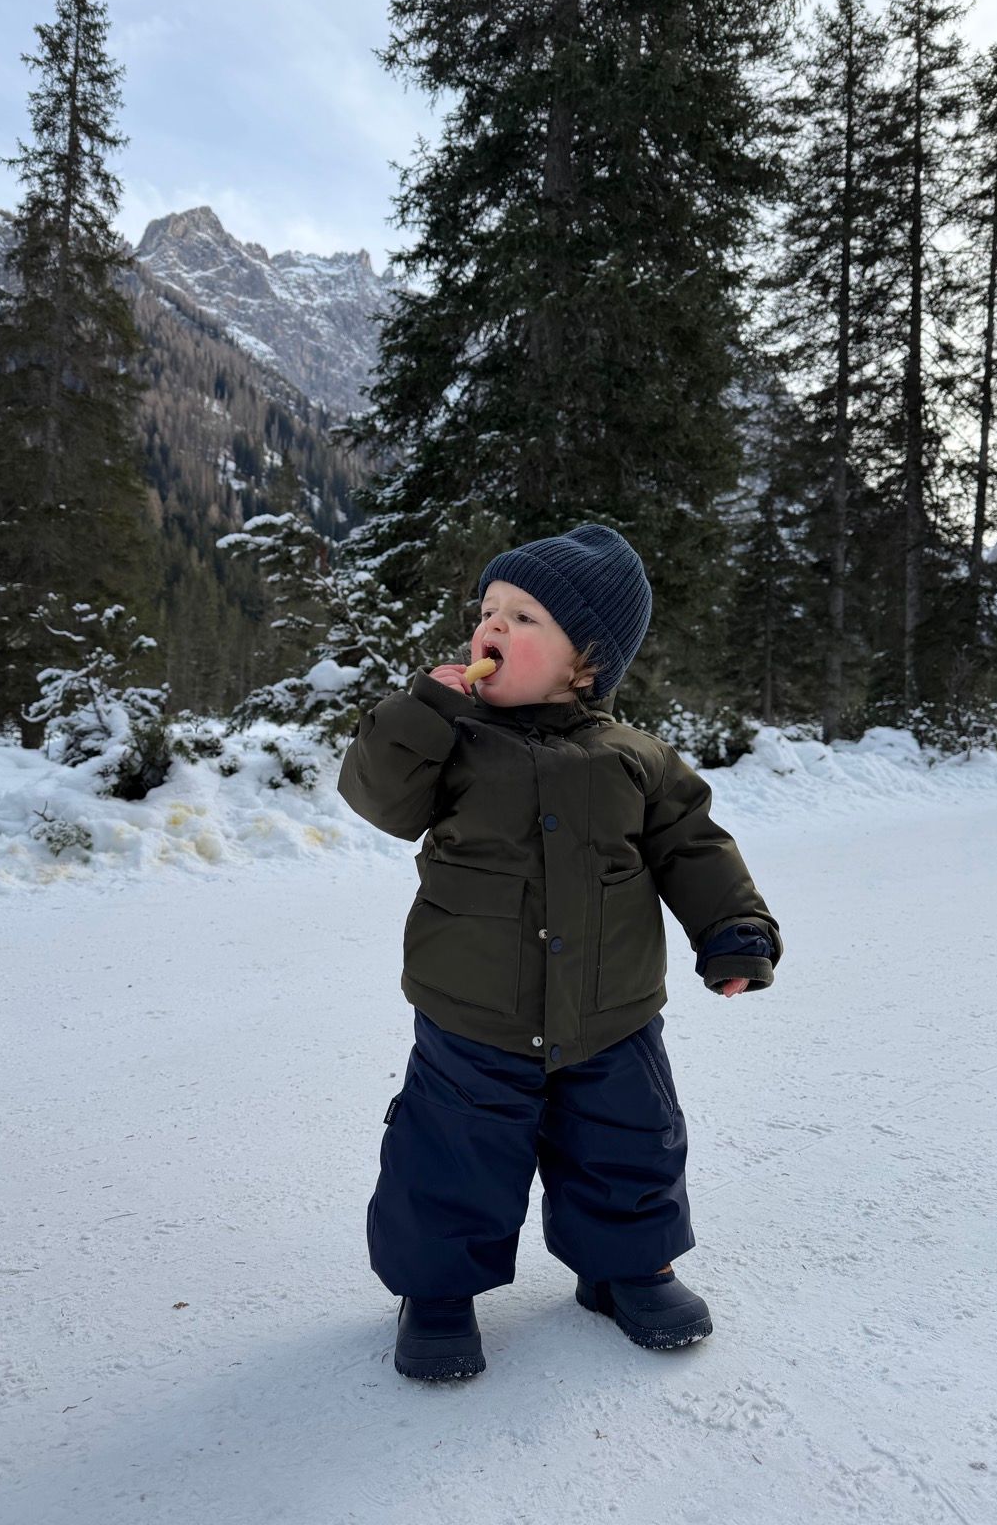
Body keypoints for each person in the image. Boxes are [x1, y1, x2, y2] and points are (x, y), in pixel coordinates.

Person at [337, 523, 782, 1380]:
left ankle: (629, 1270)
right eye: (488, 610)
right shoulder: (452, 739)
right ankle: (436, 1291)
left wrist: (734, 931)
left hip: (612, 1014)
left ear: (587, 660)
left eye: (523, 616)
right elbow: (379, 799)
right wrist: (420, 711)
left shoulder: (635, 758)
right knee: (450, 1153)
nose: (491, 627)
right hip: (474, 1014)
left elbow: (694, 848)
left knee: (629, 1141)